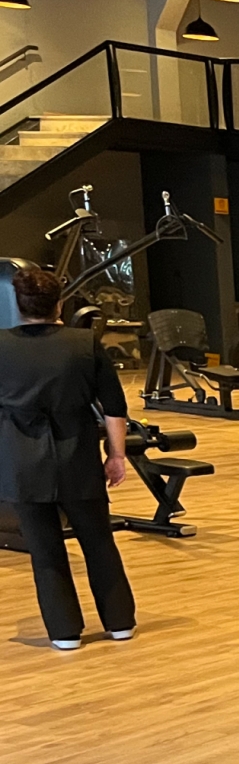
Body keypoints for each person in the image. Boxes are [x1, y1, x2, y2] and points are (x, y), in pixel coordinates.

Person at [0, 264, 136, 650]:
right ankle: (120, 623)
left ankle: (64, 633)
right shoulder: (84, 343)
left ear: (18, 304)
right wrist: (117, 455)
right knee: (99, 542)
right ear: (59, 304)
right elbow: (114, 407)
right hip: (78, 456)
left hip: (22, 462)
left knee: (46, 552)